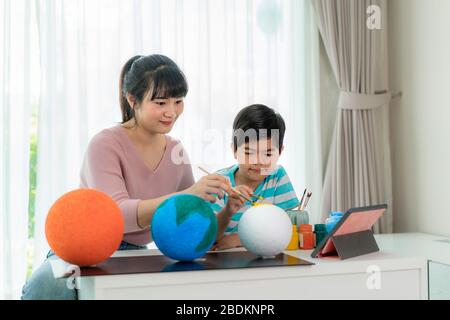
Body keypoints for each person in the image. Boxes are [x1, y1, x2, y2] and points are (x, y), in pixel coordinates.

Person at [22, 54, 232, 299]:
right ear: (132, 100)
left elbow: (189, 219)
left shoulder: (176, 150)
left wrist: (227, 209)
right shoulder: (105, 144)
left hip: (133, 254)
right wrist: (188, 193)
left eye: (178, 101)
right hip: (82, 249)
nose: (171, 112)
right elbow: (117, 215)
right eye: (161, 102)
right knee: (49, 286)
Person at [211, 104, 300, 251]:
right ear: (234, 150)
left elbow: (288, 229)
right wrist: (228, 211)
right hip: (224, 262)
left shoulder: (277, 176)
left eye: (268, 154)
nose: (258, 161)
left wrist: (241, 239)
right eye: (249, 152)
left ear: (280, 152)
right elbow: (208, 237)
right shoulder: (220, 182)